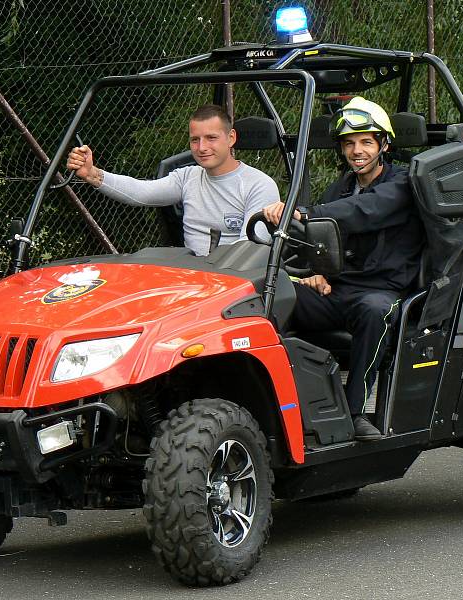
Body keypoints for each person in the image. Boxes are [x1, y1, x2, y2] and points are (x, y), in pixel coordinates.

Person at [263, 96, 424, 440]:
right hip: (337, 291)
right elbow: (320, 239)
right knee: (272, 296)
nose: (357, 151)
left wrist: (302, 211)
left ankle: (355, 413)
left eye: (366, 141)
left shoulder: (402, 184)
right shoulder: (341, 188)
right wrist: (313, 270)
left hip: (383, 292)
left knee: (374, 311)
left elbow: (363, 211)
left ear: (384, 144)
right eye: (349, 143)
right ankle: (284, 404)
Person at [67, 104, 279, 256]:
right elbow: (142, 192)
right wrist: (92, 174)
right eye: (195, 140)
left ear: (231, 138)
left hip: (234, 284)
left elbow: (250, 251)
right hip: (189, 277)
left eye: (211, 138)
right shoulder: (188, 176)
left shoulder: (259, 185)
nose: (202, 148)